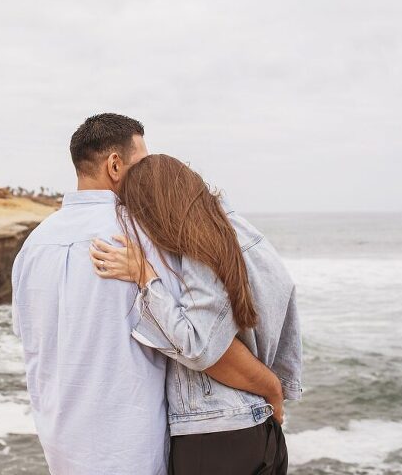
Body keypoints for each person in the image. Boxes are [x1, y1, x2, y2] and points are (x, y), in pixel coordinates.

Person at [11, 113, 285, 475]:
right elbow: (204, 345)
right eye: (141, 164)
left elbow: (34, 342)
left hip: (63, 453)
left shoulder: (33, 247)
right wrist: (272, 388)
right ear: (114, 165)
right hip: (130, 452)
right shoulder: (141, 237)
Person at [89, 153, 303, 474]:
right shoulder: (245, 233)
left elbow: (199, 345)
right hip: (261, 430)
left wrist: (146, 276)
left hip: (214, 436)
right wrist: (275, 390)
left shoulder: (200, 243)